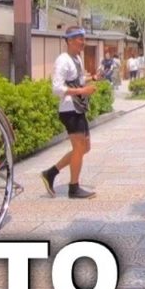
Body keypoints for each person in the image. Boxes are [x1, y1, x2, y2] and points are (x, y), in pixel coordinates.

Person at [42, 27, 100, 199]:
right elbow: (57, 88)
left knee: (85, 148)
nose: (83, 42)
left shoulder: (77, 59)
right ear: (69, 41)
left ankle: (51, 173)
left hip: (79, 108)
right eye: (79, 39)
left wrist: (93, 79)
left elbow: (78, 80)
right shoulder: (63, 60)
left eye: (83, 38)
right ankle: (73, 187)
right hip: (69, 109)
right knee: (79, 147)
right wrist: (82, 90)